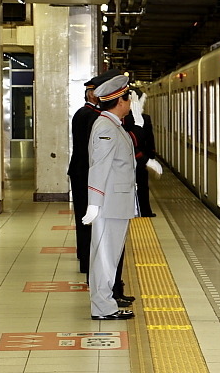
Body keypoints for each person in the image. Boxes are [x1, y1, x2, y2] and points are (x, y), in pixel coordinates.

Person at [82, 74, 136, 320]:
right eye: (128, 98)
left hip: (115, 202)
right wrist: (94, 204)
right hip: (108, 204)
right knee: (105, 257)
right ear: (120, 101)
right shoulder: (106, 127)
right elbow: (99, 167)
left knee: (108, 256)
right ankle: (103, 308)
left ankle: (105, 304)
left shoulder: (112, 125)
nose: (130, 102)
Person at [67, 69, 120, 274]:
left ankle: (84, 257)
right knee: (88, 219)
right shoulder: (91, 116)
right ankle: (88, 262)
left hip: (80, 172)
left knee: (83, 217)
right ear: (91, 94)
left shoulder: (84, 113)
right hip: (85, 174)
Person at [123, 88, 162, 217]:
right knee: (138, 184)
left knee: (140, 184)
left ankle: (141, 210)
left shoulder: (139, 118)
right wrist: (149, 157)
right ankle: (140, 210)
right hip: (136, 156)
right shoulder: (132, 119)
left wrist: (150, 156)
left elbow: (149, 138)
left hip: (138, 156)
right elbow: (135, 140)